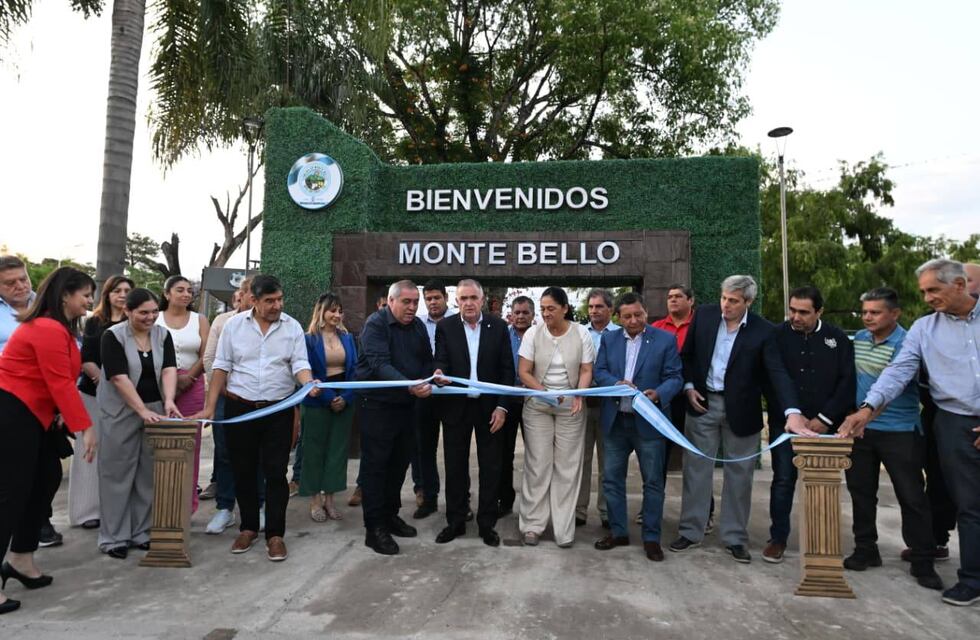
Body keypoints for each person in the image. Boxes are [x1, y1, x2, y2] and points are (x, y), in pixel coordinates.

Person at [839, 259, 980, 606]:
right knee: (969, 505)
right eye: (924, 292)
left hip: (907, 430)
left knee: (915, 497)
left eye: (934, 289)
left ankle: (928, 559)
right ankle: (972, 579)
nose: (928, 297)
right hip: (954, 421)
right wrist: (867, 410)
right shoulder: (923, 329)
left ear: (960, 285)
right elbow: (898, 372)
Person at [669, 275, 810, 564]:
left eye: (733, 301)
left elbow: (777, 372)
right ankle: (691, 532)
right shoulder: (705, 316)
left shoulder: (764, 331)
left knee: (740, 476)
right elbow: (687, 357)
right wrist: (688, 386)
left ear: (748, 301)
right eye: (723, 298)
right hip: (702, 404)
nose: (725, 305)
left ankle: (734, 538)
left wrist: (792, 412)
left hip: (742, 412)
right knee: (696, 471)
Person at [194, 275, 320, 562]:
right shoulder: (233, 327)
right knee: (243, 469)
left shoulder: (292, 327)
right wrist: (210, 407)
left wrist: (308, 383)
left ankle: (275, 535)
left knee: (276, 472)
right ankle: (248, 527)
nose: (277, 306)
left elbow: (300, 363)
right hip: (240, 409)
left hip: (278, 410)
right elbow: (221, 368)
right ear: (253, 300)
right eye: (270, 301)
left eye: (279, 300)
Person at [0, 267, 97, 615]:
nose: (90, 300)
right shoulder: (45, 328)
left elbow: (55, 383)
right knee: (10, 492)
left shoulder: (61, 329)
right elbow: (58, 382)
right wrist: (86, 427)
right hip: (12, 412)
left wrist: (61, 416)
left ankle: (21, 558)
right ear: (65, 295)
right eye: (85, 294)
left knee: (45, 479)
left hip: (35, 415)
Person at [836, 287, 943, 591]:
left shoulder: (910, 343)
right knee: (861, 492)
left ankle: (923, 560)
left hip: (900, 432)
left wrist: (867, 412)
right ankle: (866, 550)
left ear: (894, 314)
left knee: (911, 497)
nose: (867, 317)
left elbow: (894, 383)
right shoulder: (858, 340)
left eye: (875, 312)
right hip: (862, 432)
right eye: (865, 312)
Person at [763, 286, 856, 563]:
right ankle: (778, 538)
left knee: (823, 483)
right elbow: (776, 377)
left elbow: (847, 381)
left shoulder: (836, 339)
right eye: (792, 310)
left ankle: (821, 541)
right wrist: (794, 414)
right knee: (782, 480)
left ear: (819, 312)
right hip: (786, 424)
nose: (796, 316)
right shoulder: (777, 336)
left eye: (803, 312)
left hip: (826, 426)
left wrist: (824, 419)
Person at [593, 292, 682, 561]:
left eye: (639, 315)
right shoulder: (608, 339)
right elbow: (599, 372)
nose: (634, 320)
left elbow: (675, 377)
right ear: (618, 317)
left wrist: (659, 394)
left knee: (653, 482)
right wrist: (615, 383)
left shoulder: (665, 340)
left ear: (646, 313)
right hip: (615, 422)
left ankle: (652, 538)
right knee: (611, 480)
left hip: (650, 424)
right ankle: (619, 532)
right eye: (628, 316)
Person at [97, 288, 181, 558]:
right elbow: (119, 378)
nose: (151, 317)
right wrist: (141, 410)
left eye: (155, 311)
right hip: (120, 410)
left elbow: (168, 368)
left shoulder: (163, 335)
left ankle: (142, 532)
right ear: (128, 311)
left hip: (155, 409)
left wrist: (168, 400)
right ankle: (114, 538)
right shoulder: (112, 336)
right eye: (143, 312)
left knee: (147, 474)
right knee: (117, 474)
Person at [432, 279, 514, 547]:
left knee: (491, 467)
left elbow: (506, 372)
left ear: (482, 299)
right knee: (455, 467)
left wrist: (502, 406)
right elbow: (441, 360)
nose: (468, 303)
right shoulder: (446, 327)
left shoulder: (499, 327)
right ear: (457, 301)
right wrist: (439, 375)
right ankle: (455, 522)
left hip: (490, 409)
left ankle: (487, 524)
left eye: (473, 298)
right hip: (456, 407)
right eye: (463, 298)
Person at [355, 280, 433, 555]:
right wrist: (410, 384)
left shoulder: (418, 326)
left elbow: (426, 359)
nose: (412, 307)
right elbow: (379, 364)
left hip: (407, 407)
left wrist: (429, 378)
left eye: (415, 302)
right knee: (376, 468)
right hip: (377, 408)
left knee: (399, 465)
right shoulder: (375, 325)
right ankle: (374, 529)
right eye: (406, 302)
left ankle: (390, 515)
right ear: (391, 301)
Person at [518, 286, 596, 548]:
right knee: (538, 465)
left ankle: (564, 529)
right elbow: (524, 372)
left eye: (551, 308)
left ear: (565, 308)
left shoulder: (582, 333)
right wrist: (545, 393)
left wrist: (579, 395)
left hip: (571, 407)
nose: (545, 313)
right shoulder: (532, 333)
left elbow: (586, 370)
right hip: (538, 405)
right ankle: (532, 525)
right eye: (542, 309)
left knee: (567, 468)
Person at [0, 256, 63, 549]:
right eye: (10, 283)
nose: (20, 286)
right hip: (10, 403)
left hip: (47, 404)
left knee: (47, 473)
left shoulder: (46, 307)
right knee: (13, 481)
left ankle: (29, 539)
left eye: (23, 279)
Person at [201, 277, 263, 535]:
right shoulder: (222, 322)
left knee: (258, 454)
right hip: (227, 397)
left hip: (259, 399)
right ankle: (225, 508)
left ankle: (258, 506)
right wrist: (223, 388)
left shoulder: (271, 325)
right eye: (255, 294)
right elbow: (210, 359)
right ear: (245, 295)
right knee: (226, 453)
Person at [70, 274, 133, 530]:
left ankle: (117, 509)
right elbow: (86, 359)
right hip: (93, 395)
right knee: (89, 451)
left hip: (127, 398)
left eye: (128, 290)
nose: (122, 294)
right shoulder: (95, 322)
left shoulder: (137, 322)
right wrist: (104, 382)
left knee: (120, 453)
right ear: (107, 294)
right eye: (117, 290)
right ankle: (87, 512)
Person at [299, 292, 357, 522]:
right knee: (314, 451)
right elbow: (307, 371)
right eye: (332, 310)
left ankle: (330, 500)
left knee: (337, 452)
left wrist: (346, 397)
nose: (337, 314)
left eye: (340, 310)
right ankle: (315, 500)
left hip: (344, 401)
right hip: (317, 401)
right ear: (321, 312)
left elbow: (355, 371)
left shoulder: (348, 338)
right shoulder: (308, 339)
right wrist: (330, 397)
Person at [156, 275, 210, 513]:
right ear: (167, 294)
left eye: (190, 290)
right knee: (159, 442)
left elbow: (206, 354)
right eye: (180, 290)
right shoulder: (154, 318)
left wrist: (189, 377)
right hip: (158, 384)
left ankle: (188, 503)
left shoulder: (200, 320)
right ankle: (160, 500)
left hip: (192, 383)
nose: (187, 294)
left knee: (190, 443)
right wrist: (168, 379)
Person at [577, 289, 618, 528]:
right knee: (581, 460)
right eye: (591, 307)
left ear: (610, 310)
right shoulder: (580, 333)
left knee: (608, 462)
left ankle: (605, 512)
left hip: (609, 406)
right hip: (582, 404)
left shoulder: (621, 334)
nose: (594, 311)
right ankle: (579, 511)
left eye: (599, 307)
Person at [413, 279, 449, 519]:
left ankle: (460, 500)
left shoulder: (457, 322)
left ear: (446, 297)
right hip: (424, 395)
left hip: (452, 396)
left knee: (456, 449)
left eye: (436, 297)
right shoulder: (416, 325)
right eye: (428, 299)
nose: (433, 302)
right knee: (424, 449)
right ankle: (429, 497)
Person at [499, 295, 534, 516]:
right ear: (511, 314)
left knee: (535, 455)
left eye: (525, 312)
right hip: (507, 403)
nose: (520, 316)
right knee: (504, 454)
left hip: (533, 403)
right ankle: (505, 500)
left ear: (533, 315)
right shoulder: (502, 335)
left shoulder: (540, 335)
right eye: (517, 312)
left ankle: (533, 504)